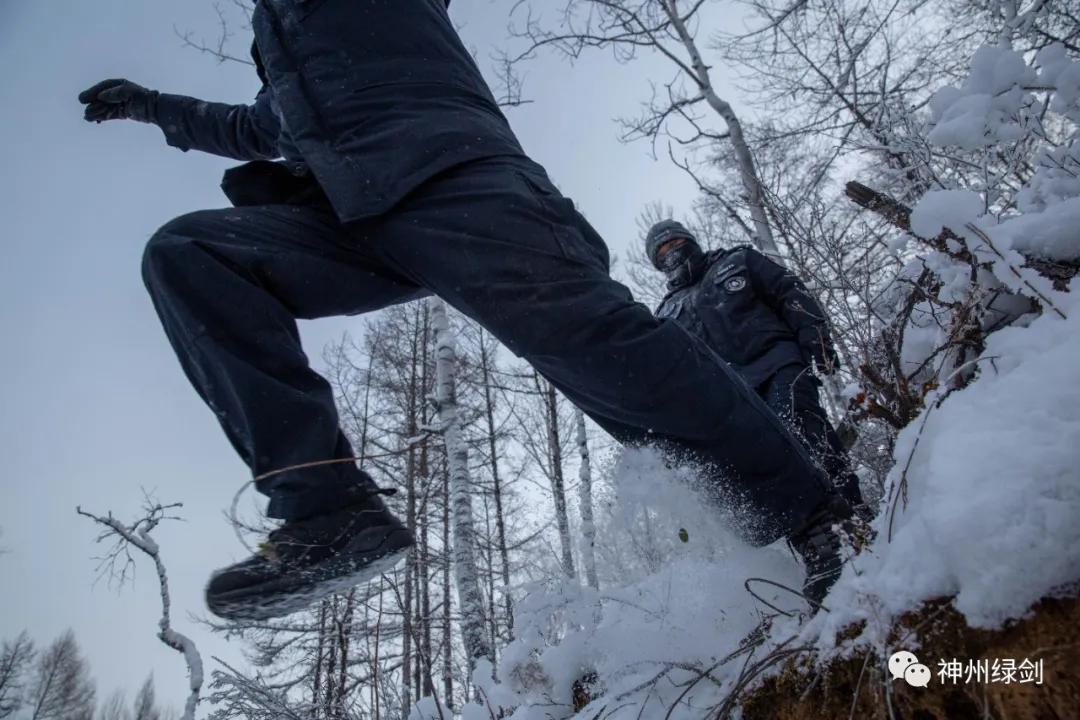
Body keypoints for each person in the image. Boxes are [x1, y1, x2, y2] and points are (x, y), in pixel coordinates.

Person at [78, 0, 856, 620]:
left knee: (609, 356)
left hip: (458, 178)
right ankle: (329, 511)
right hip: (352, 215)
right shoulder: (275, 31)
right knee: (190, 254)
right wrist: (153, 107)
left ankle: (818, 517)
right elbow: (260, 129)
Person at [646, 220, 867, 514]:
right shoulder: (666, 314)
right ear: (658, 264)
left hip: (777, 362)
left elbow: (788, 291)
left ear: (690, 241)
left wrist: (816, 338)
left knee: (799, 422)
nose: (672, 253)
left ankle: (853, 507)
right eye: (663, 252)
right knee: (767, 462)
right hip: (733, 397)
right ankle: (819, 530)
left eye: (675, 243)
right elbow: (674, 374)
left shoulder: (738, 261)